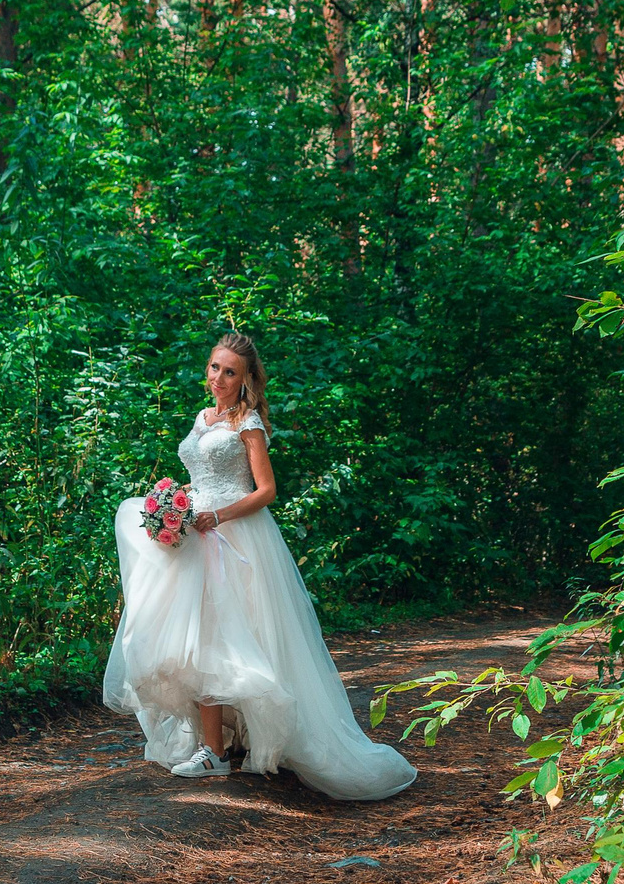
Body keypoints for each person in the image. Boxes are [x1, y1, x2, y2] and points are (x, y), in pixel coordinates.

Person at [103, 332, 417, 801]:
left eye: (230, 372)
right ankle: (217, 746)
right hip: (196, 534)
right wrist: (175, 508)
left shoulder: (247, 423)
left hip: (233, 534)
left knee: (226, 637)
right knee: (198, 641)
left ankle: (223, 750)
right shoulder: (203, 418)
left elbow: (266, 490)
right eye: (214, 368)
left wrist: (219, 516)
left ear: (246, 378)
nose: (219, 378)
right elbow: (196, 476)